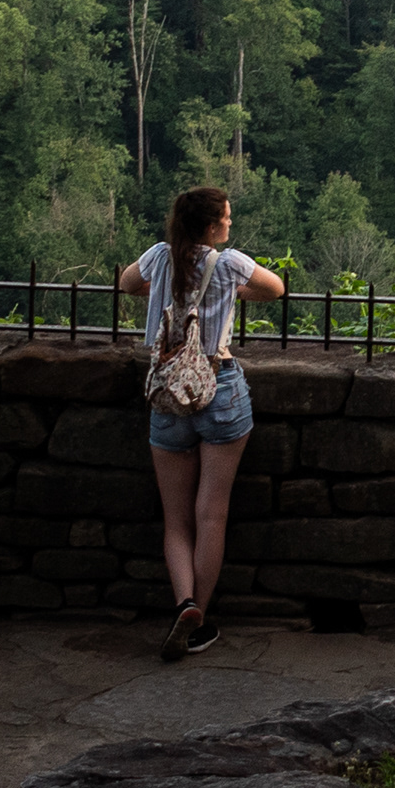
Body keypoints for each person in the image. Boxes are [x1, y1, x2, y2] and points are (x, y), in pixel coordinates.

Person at [117, 186, 284, 659]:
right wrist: (225, 289)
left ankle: (183, 602)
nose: (231, 225)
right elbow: (275, 289)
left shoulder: (158, 258)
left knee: (176, 519)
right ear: (212, 227)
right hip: (219, 385)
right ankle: (197, 623)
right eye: (227, 219)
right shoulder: (228, 263)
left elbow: (128, 284)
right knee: (212, 512)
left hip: (168, 394)